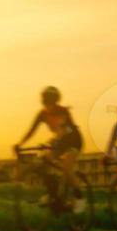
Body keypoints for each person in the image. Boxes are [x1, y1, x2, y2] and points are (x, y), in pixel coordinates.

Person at [14, 86, 85, 215]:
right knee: (44, 161)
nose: (48, 105)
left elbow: (63, 129)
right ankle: (52, 193)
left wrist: (54, 141)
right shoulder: (42, 114)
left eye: (50, 102)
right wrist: (20, 143)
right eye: (46, 102)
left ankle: (79, 198)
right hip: (59, 141)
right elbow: (31, 130)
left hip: (73, 140)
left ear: (55, 101)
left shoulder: (62, 111)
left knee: (67, 167)